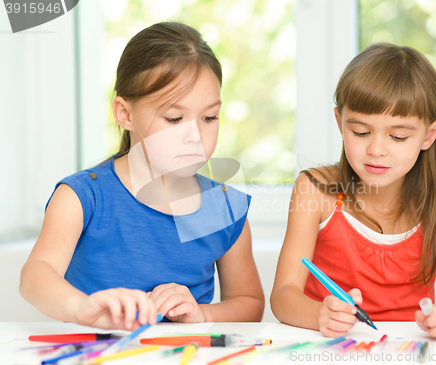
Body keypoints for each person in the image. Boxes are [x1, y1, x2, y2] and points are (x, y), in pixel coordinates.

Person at [20, 21, 264, 330]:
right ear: (125, 114)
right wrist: (82, 307)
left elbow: (250, 303)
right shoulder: (83, 197)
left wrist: (203, 314)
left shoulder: (222, 207)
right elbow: (34, 276)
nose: (195, 135)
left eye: (209, 117)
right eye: (174, 118)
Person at [270, 43, 436, 340]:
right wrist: (320, 314)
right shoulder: (314, 190)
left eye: (398, 136)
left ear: (429, 135)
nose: (376, 149)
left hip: (409, 349)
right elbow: (282, 295)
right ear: (340, 122)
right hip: (331, 346)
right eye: (361, 132)